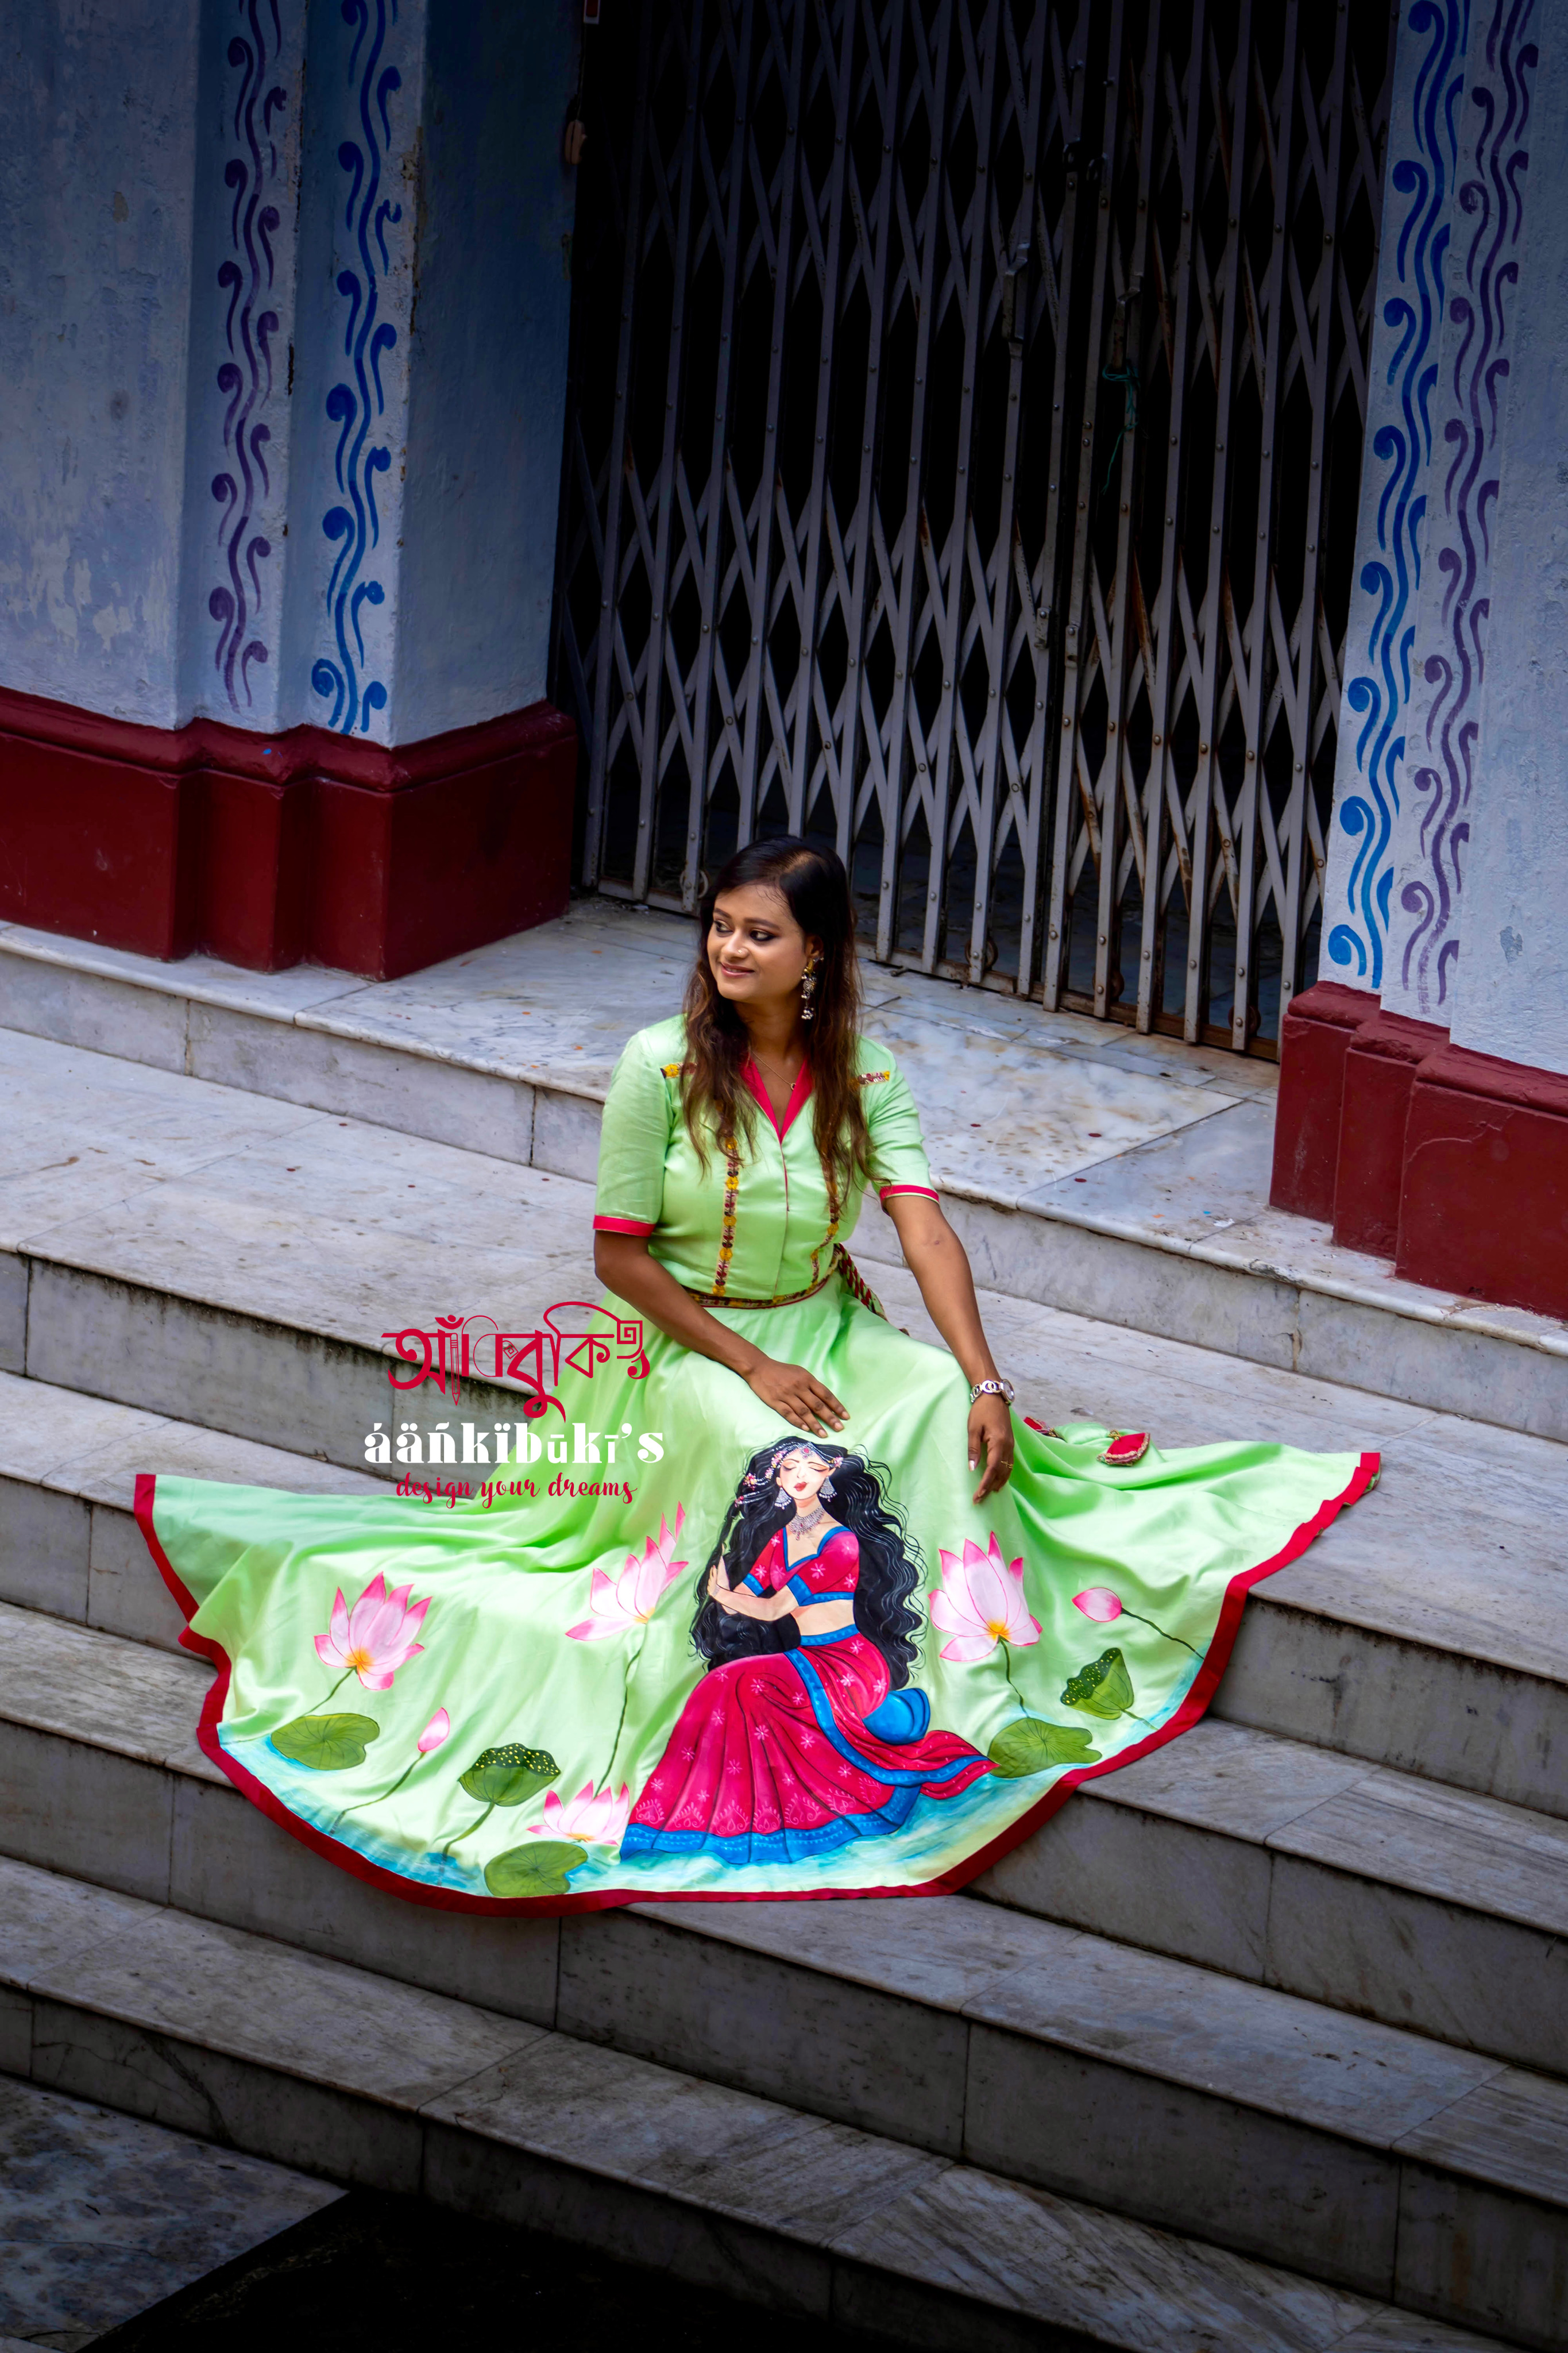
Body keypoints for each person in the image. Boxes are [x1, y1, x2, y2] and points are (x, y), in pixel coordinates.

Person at [136, 836, 1377, 1911]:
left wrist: (989, 1378)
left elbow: (924, 1227)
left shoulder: (866, 1077)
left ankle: (928, 1687)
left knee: (938, 1406)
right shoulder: (657, 1068)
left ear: (817, 953)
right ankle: (756, 1733)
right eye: (722, 927)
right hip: (681, 1343)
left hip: (827, 1325)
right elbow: (617, 1256)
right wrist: (751, 1362)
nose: (731, 948)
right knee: (777, 1460)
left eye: (760, 932)